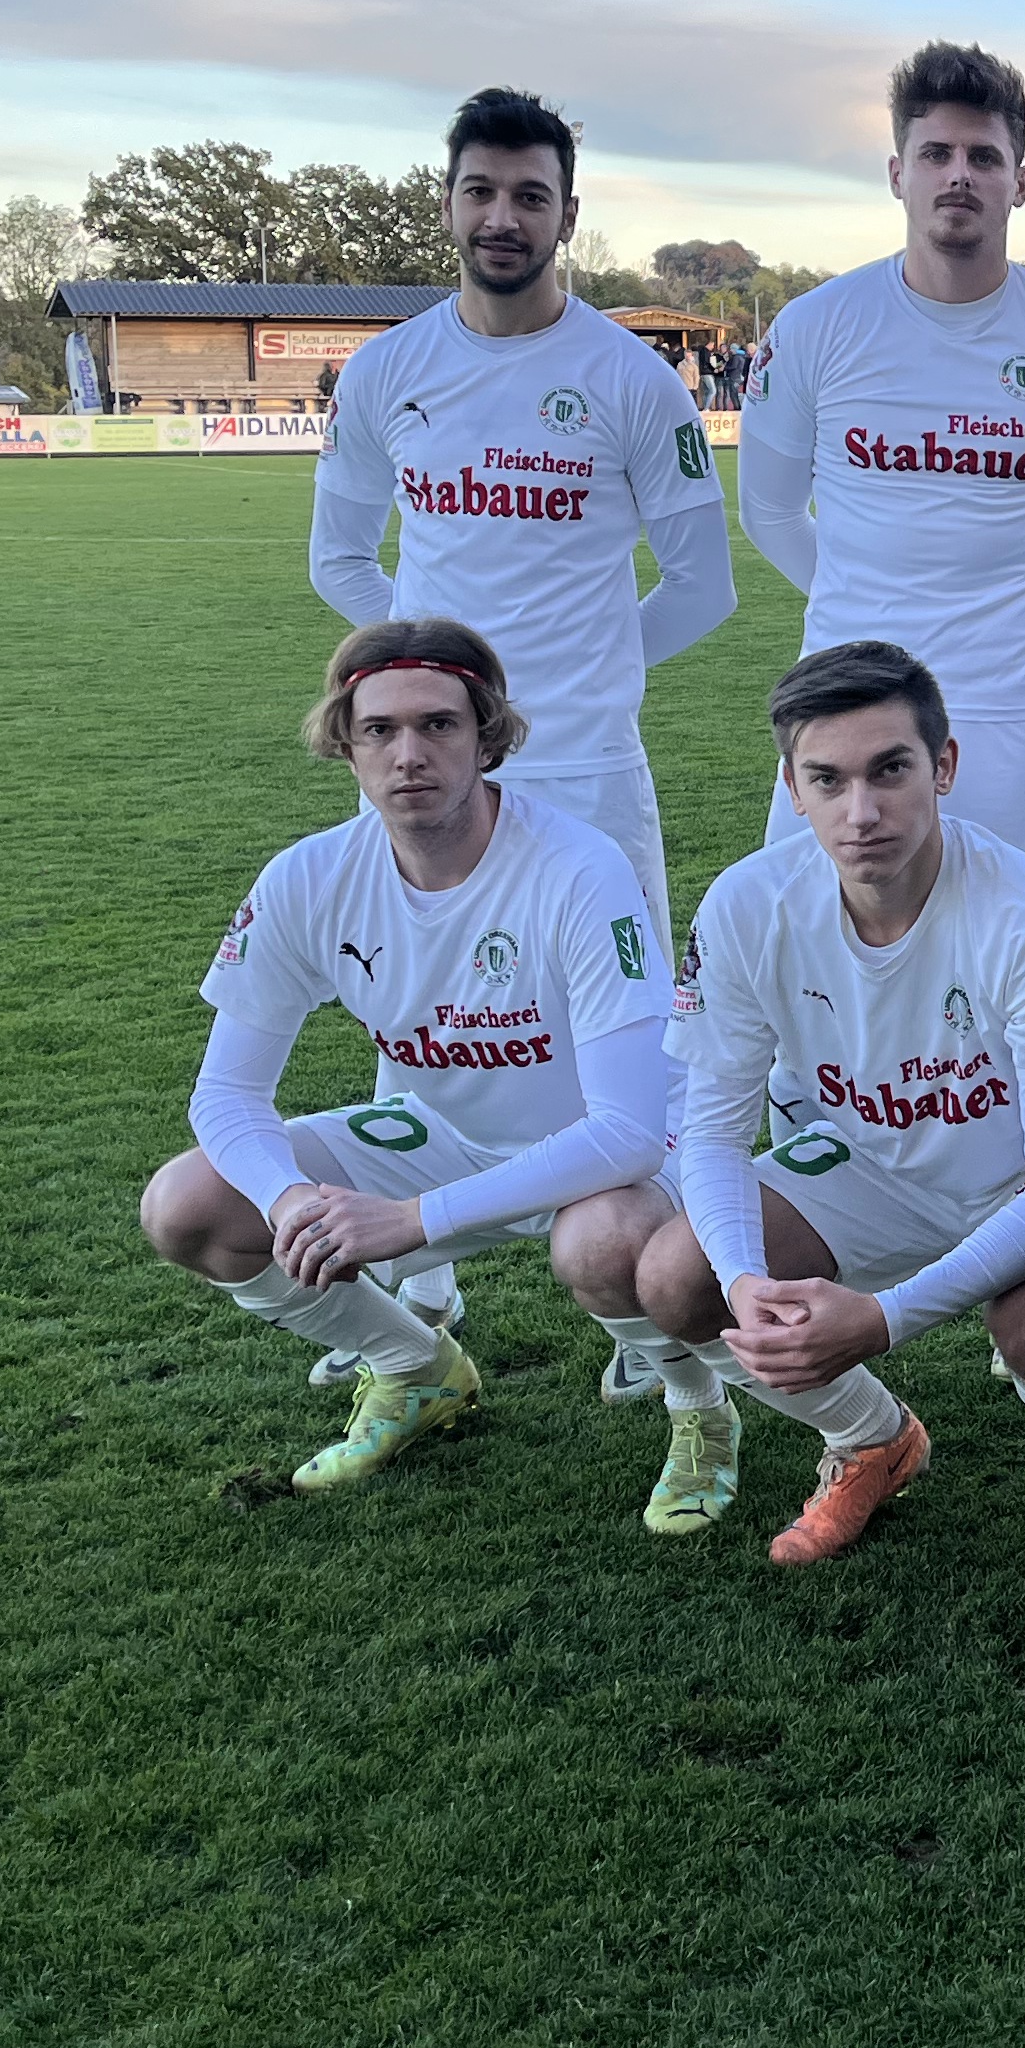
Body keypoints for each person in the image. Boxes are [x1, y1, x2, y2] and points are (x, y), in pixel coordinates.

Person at [134, 619, 713, 1504]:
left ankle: (698, 1407)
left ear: (488, 736)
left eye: (438, 724)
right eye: (380, 729)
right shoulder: (306, 878)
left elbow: (628, 1131)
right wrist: (290, 1202)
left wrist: (412, 1219)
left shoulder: (579, 869)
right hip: (447, 1135)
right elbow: (226, 1092)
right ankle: (413, 1366)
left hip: (615, 1154)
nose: (408, 754)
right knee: (188, 1205)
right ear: (345, 744)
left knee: (603, 1242)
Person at [632, 642, 1025, 1576]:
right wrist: (744, 1283)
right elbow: (710, 1134)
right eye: (828, 779)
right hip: (872, 1167)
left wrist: (883, 1317)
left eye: (890, 770)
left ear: (943, 766)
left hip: (1021, 1178)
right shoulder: (746, 905)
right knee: (679, 1279)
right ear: (792, 788)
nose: (860, 812)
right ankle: (871, 1436)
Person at [312, 85, 733, 929]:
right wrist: (429, 670)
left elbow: (703, 587)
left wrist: (587, 671)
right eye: (481, 191)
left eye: (531, 197)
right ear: (447, 204)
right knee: (431, 995)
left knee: (614, 1002)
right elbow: (338, 560)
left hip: (586, 769)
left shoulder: (636, 380)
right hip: (428, 764)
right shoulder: (383, 371)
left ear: (567, 217)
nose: (502, 218)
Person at [736, 41, 1025, 869]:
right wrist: (867, 607)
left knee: (1010, 944)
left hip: (1008, 719)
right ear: (898, 173)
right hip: (845, 712)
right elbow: (769, 511)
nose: (958, 174)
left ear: (1020, 182)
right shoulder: (813, 328)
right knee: (822, 944)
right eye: (936, 153)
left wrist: (1022, 613)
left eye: (983, 157)